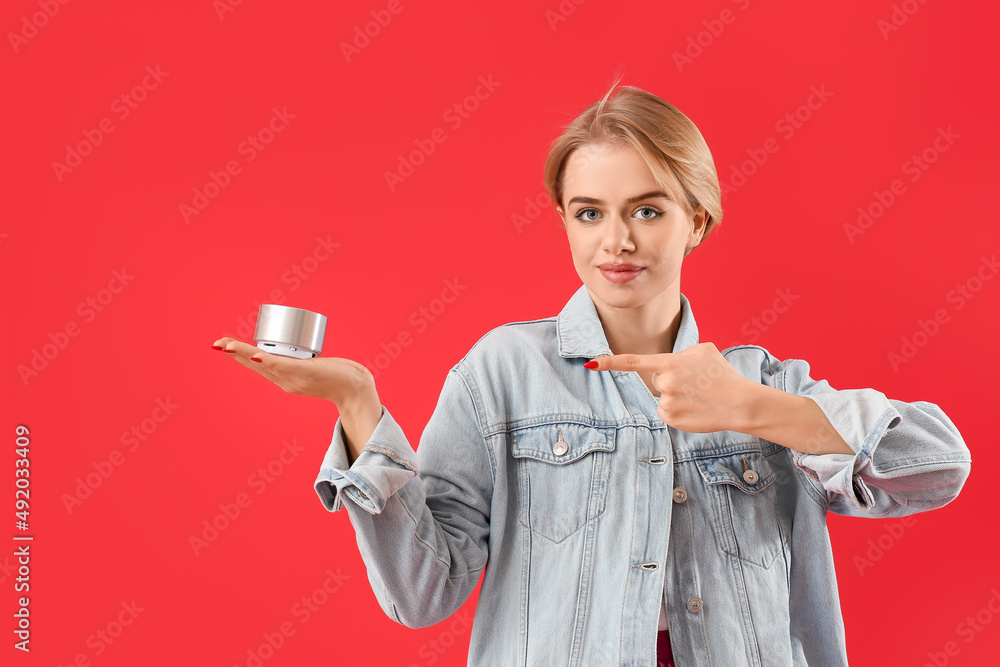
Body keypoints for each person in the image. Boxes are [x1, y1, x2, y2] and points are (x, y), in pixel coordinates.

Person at [211, 78, 972, 666]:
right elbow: (421, 592)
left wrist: (749, 407)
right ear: (564, 221)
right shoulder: (504, 374)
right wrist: (357, 407)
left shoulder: (760, 382)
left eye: (647, 210)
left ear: (696, 220)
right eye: (589, 212)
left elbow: (939, 463)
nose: (617, 241)